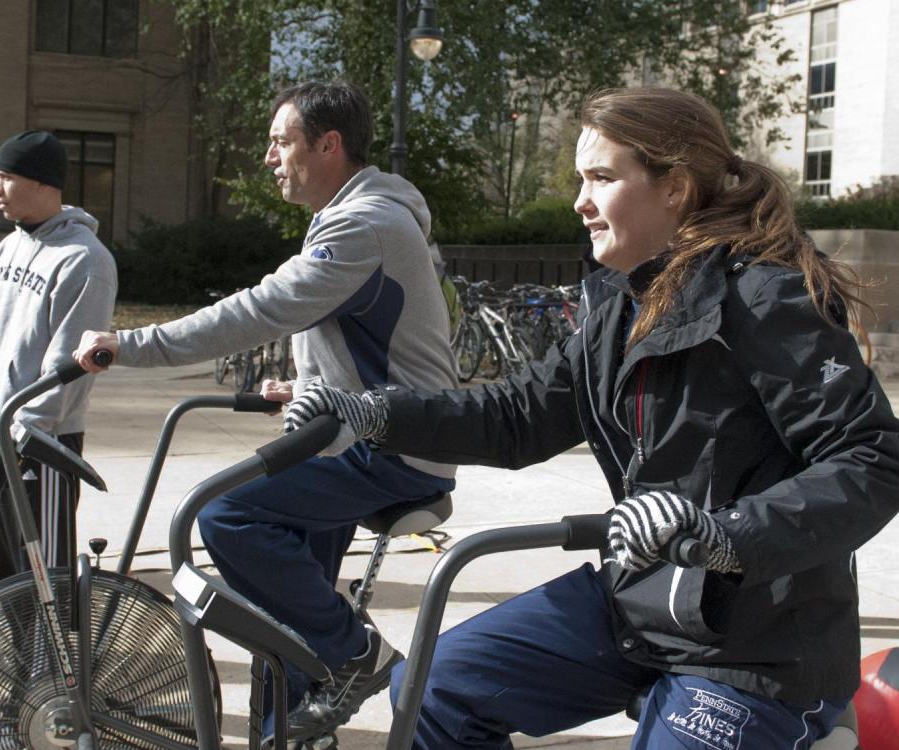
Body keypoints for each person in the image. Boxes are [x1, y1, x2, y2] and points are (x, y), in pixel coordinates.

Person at [284, 86, 899, 749]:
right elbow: (516, 417)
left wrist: (727, 536)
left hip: (757, 648)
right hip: (641, 601)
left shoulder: (764, 298)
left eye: (601, 178)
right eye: (582, 179)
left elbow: (871, 461)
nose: (580, 201)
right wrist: (371, 412)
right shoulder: (619, 306)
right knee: (428, 685)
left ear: (675, 187)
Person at [73, 81, 457, 742]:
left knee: (224, 515)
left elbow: (258, 310)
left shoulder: (365, 222)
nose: (269, 157)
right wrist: (302, 387)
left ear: (328, 144)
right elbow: (364, 340)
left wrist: (126, 344)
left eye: (282, 141)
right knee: (282, 637)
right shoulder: (358, 215)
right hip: (351, 439)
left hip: (390, 448)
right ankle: (304, 709)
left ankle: (358, 656)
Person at [0, 130, 117, 584]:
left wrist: (23, 435)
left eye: (6, 177)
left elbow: (71, 365)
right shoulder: (6, 248)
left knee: (42, 582)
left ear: (42, 183)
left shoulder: (85, 259)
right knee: (5, 580)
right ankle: (21, 659)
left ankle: (50, 659)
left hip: (40, 447)